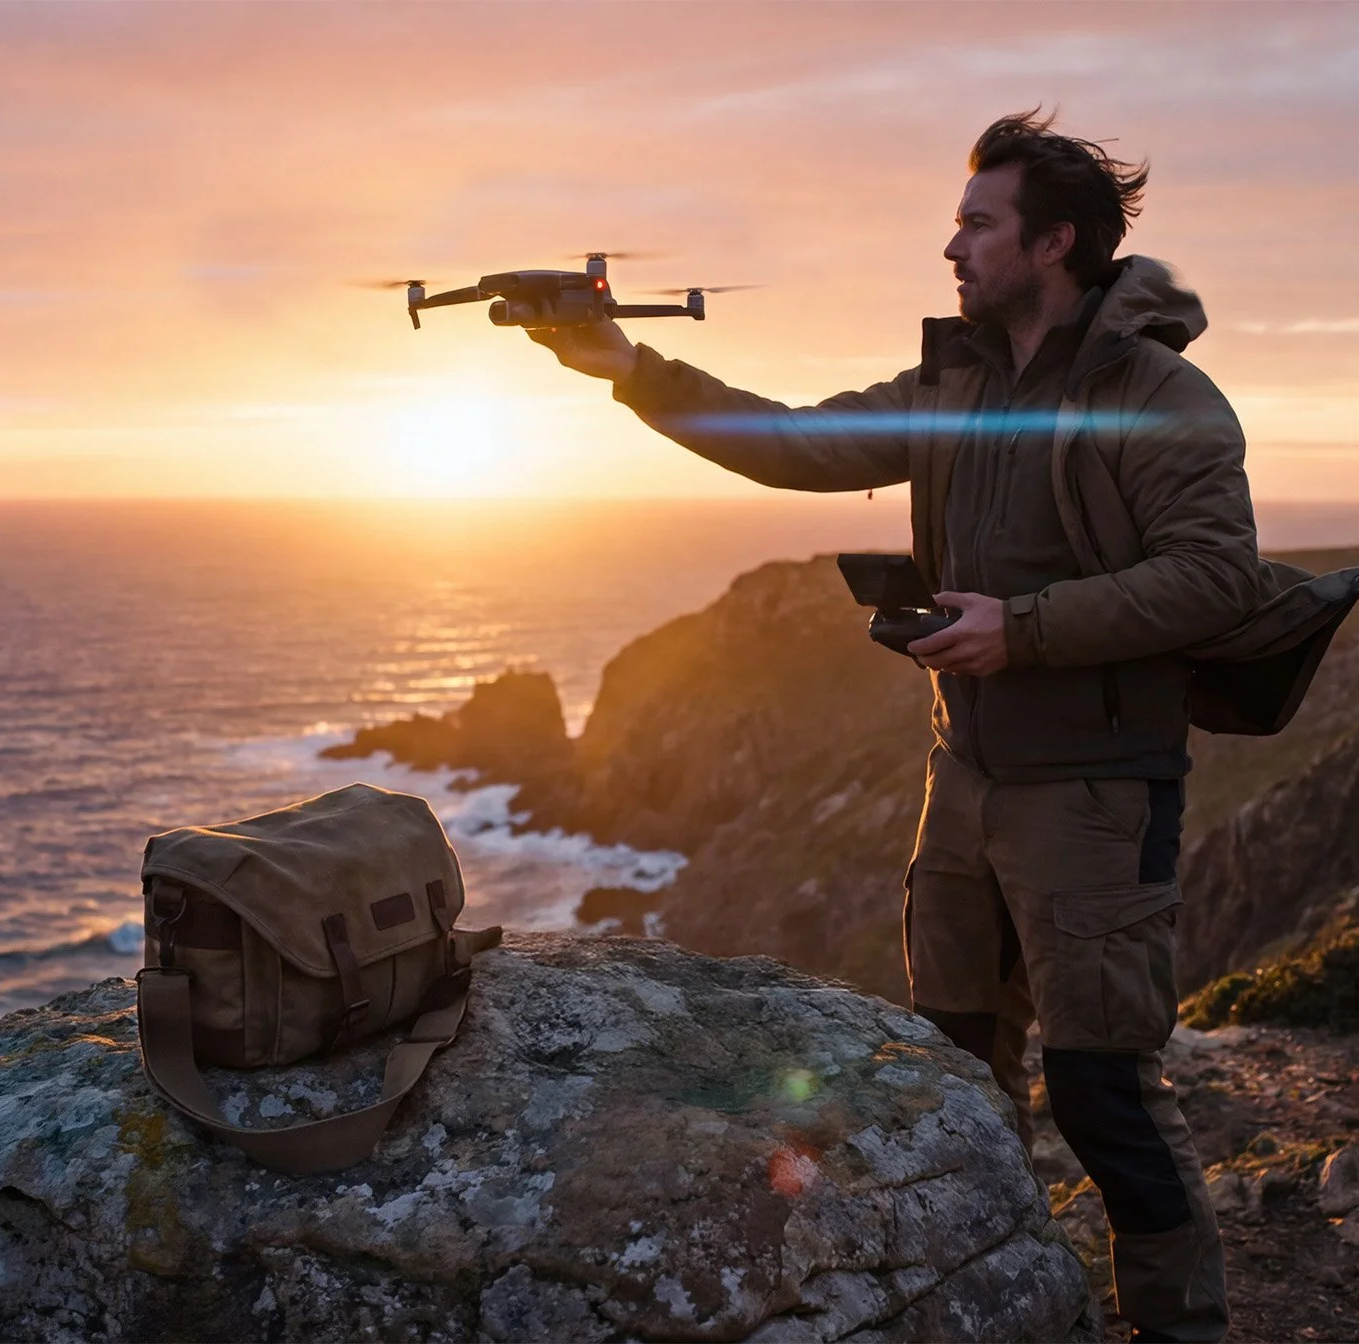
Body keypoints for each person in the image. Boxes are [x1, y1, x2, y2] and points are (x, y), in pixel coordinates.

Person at [527, 110, 1259, 1342]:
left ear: (1055, 242)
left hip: (1095, 795)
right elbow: (795, 442)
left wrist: (1019, 627)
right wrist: (628, 370)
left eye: (977, 222)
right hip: (962, 780)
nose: (951, 245)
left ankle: (1181, 1327)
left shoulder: (1159, 395)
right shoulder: (950, 382)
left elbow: (1214, 579)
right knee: (956, 1075)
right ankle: (999, 1296)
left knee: (1105, 1097)